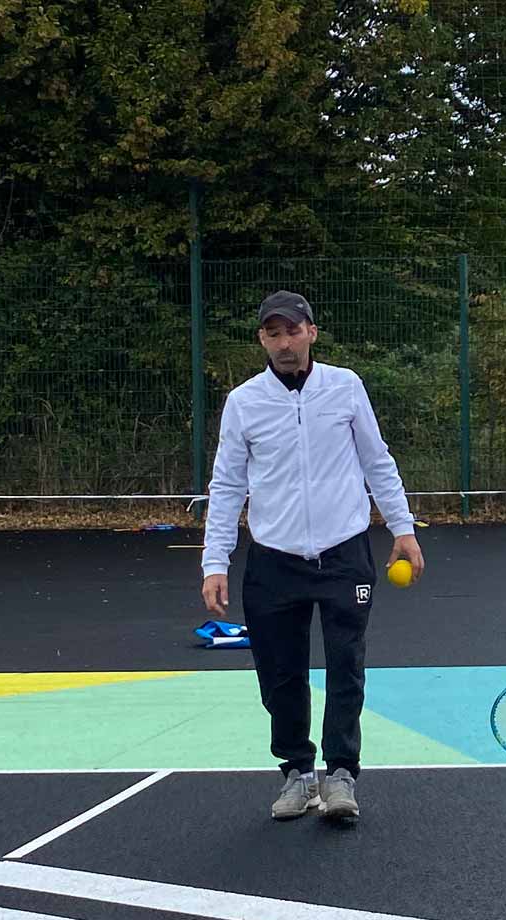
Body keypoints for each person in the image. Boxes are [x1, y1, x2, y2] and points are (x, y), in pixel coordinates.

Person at [200, 290, 424, 821]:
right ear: (262, 339)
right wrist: (215, 561)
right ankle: (297, 774)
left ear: (312, 333)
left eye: (293, 331)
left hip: (344, 553)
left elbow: (377, 461)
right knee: (281, 674)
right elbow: (227, 484)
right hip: (274, 559)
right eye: (273, 333)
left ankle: (342, 774)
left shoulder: (345, 387)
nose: (284, 342)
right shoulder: (244, 401)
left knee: (346, 665)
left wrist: (403, 528)